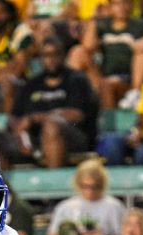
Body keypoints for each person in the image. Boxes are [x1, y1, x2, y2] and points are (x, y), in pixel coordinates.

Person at [10, 37, 98, 169]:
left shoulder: (77, 80)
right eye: (46, 56)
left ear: (63, 56)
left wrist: (35, 118)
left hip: (74, 136)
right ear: (40, 59)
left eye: (55, 55)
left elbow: (76, 115)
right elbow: (15, 117)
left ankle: (53, 180)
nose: (50, 60)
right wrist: (20, 133)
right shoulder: (32, 85)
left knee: (51, 127)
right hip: (35, 138)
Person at [68, 0, 143, 109]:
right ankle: (67, 95)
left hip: (128, 80)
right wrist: (94, 20)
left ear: (130, 5)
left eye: (125, 3)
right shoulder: (103, 25)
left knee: (107, 85)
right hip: (103, 76)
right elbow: (88, 46)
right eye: (117, 4)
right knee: (78, 52)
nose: (121, 7)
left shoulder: (139, 25)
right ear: (110, 7)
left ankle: (109, 122)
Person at [47, 159, 126, 235]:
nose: (90, 191)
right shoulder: (65, 207)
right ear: (78, 184)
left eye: (95, 186)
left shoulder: (114, 206)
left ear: (102, 184)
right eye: (86, 186)